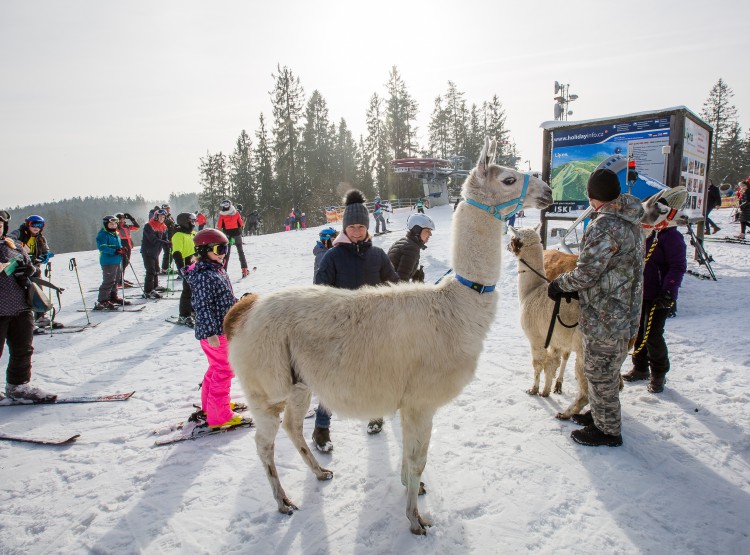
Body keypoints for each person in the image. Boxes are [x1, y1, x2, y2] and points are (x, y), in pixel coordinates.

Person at [547, 168, 644, 447]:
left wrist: (559, 284)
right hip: (625, 310)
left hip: (606, 315)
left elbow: (586, 273)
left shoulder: (604, 225)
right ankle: (600, 415)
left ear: (593, 197)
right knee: (607, 369)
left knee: (599, 372)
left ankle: (608, 431)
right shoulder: (631, 220)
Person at [314, 190, 399, 445]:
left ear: (367, 227)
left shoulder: (378, 255)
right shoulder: (333, 256)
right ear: (344, 228)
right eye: (352, 226)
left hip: (375, 328)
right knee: (335, 380)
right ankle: (321, 428)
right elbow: (319, 293)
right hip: (343, 330)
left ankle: (375, 415)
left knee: (375, 375)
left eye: (361, 226)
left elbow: (393, 285)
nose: (357, 231)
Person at [182, 228, 247, 428]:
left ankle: (212, 406)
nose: (223, 254)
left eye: (225, 249)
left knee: (216, 368)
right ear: (203, 251)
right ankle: (220, 416)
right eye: (219, 249)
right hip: (215, 333)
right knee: (225, 369)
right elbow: (202, 306)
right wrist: (211, 333)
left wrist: (239, 305)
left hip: (221, 329)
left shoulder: (215, 269)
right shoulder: (203, 275)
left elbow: (223, 298)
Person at [622, 213, 686, 393]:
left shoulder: (671, 236)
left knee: (653, 335)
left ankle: (658, 373)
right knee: (638, 331)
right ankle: (640, 367)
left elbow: (678, 266)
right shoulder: (645, 233)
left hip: (660, 294)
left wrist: (669, 290)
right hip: (640, 291)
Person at [0, 210, 56, 402]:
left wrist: (27, 270)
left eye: (0, 225)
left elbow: (29, 266)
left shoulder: (13, 244)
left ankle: (18, 386)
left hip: (21, 306)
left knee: (23, 349)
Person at [310, 226, 339, 451]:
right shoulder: (324, 255)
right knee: (332, 374)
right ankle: (322, 425)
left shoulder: (325, 252)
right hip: (329, 315)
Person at [9, 215, 54, 324]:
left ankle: (40, 316)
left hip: (34, 268)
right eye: (33, 224)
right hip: (20, 269)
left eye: (39, 225)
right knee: (24, 293)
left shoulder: (40, 238)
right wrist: (20, 246)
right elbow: (8, 240)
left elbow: (46, 251)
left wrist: (45, 256)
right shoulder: (19, 233)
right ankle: (25, 319)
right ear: (28, 224)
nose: (36, 228)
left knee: (37, 291)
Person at [387, 213, 435, 282]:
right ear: (417, 230)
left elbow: (397, 270)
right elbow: (401, 283)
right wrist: (417, 286)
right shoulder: (411, 248)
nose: (430, 234)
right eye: (427, 231)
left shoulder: (404, 242)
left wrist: (414, 274)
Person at [95, 215, 129, 310]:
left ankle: (113, 297)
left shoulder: (115, 233)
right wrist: (115, 251)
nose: (113, 225)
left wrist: (122, 249)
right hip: (108, 261)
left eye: (115, 224)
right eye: (111, 224)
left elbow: (118, 245)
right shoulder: (102, 234)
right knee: (109, 280)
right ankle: (102, 300)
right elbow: (102, 247)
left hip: (117, 260)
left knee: (116, 279)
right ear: (106, 224)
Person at [171, 213, 197, 326]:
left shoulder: (192, 234)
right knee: (187, 290)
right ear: (185, 222)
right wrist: (181, 268)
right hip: (186, 263)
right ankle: (184, 315)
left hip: (195, 262)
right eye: (192, 221)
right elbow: (177, 253)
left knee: (195, 289)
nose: (194, 223)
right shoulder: (178, 235)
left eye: (195, 221)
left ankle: (192, 310)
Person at [141, 209, 170, 299]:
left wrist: (168, 242)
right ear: (156, 216)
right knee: (150, 270)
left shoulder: (163, 226)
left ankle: (155, 286)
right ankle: (147, 291)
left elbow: (165, 238)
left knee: (156, 269)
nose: (162, 218)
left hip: (156, 251)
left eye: (164, 217)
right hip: (148, 251)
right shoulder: (149, 226)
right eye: (161, 216)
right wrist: (165, 242)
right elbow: (153, 239)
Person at [217, 199, 250, 277]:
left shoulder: (222, 215)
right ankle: (244, 270)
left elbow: (219, 226)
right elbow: (241, 224)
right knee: (240, 252)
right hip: (237, 235)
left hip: (227, 236)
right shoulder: (236, 213)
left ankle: (223, 271)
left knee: (226, 254)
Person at [115, 212, 140, 282]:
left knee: (126, 263)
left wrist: (131, 218)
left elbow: (137, 227)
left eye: (123, 218)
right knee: (123, 263)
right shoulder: (117, 227)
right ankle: (119, 279)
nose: (122, 220)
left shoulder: (127, 226)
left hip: (128, 246)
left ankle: (121, 278)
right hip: (123, 246)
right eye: (121, 219)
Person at [160, 204, 176, 274]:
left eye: (168, 208)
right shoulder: (162, 217)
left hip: (171, 237)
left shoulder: (170, 217)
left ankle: (167, 267)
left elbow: (173, 226)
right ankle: (164, 268)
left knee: (171, 253)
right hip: (165, 238)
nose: (168, 210)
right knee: (167, 252)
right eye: (166, 209)